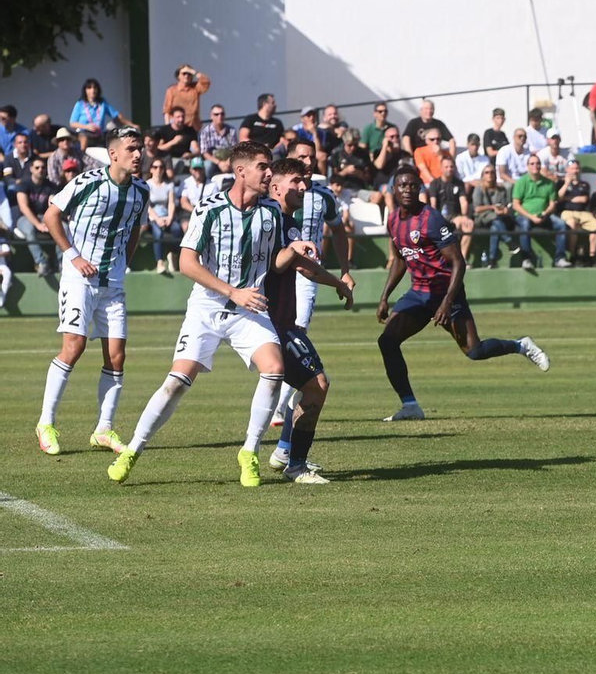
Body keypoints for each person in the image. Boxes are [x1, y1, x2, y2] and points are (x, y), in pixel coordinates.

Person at [106, 142, 318, 486]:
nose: (269, 173)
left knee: (275, 369)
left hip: (250, 308)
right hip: (208, 307)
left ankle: (249, 452)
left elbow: (275, 264)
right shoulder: (211, 209)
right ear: (241, 172)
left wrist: (292, 250)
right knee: (176, 383)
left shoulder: (271, 212)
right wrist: (232, 291)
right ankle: (133, 449)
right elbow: (187, 262)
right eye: (263, 167)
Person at [374, 166, 549, 422]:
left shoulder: (431, 219)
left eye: (413, 185)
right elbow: (401, 258)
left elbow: (458, 262)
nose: (408, 190)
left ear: (420, 188)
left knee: (474, 351)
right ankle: (410, 405)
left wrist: (446, 302)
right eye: (402, 185)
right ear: (394, 189)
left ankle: (520, 345)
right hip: (419, 293)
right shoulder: (392, 220)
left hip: (447, 293)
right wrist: (384, 296)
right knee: (387, 341)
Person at [34, 125, 147, 457]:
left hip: (112, 284)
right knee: (74, 346)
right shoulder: (88, 182)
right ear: (113, 154)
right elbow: (52, 215)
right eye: (131, 149)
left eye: (140, 148)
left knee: (116, 356)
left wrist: (125, 260)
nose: (138, 154)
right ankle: (46, 423)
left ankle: (103, 429)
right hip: (77, 278)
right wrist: (74, 256)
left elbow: (138, 228)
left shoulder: (140, 190)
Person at [260, 158, 357, 482]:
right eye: (296, 181)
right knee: (315, 384)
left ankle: (287, 455)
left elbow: (304, 266)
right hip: (268, 322)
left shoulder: (287, 222)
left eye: (305, 180)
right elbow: (276, 264)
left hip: (281, 321)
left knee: (312, 385)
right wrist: (294, 249)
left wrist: (339, 283)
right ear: (275, 186)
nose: (304, 187)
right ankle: (291, 462)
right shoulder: (267, 218)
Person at [68, 78, 126, 143]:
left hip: (100, 133)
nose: (92, 90)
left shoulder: (102, 103)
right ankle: (81, 152)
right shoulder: (80, 104)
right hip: (85, 133)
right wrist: (87, 127)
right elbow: (72, 123)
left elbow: (116, 115)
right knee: (83, 137)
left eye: (94, 88)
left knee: (115, 125)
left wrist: (131, 125)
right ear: (85, 90)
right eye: (89, 88)